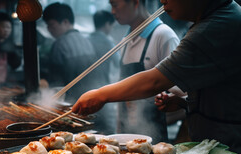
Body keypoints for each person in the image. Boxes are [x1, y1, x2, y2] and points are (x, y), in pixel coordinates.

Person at [72, 0, 241, 154]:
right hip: (217, 146)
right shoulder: (219, 18)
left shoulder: (212, 28)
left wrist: (101, 95)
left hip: (230, 150)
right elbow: (220, 91)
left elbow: (155, 81)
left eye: (115, 4)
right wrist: (186, 103)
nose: (161, 1)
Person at [110, 0, 180, 143]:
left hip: (154, 137)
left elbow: (181, 94)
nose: (112, 11)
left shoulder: (163, 35)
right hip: (126, 134)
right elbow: (122, 92)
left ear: (135, 3)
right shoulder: (125, 41)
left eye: (115, 5)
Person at [42, 2, 115, 134]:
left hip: (77, 108)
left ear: (65, 22)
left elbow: (57, 84)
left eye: (51, 25)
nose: (49, 29)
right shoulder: (86, 39)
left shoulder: (60, 44)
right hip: (97, 106)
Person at [88, 10, 120, 84]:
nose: (112, 29)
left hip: (86, 84)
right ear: (107, 24)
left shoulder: (85, 40)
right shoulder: (108, 43)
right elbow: (118, 63)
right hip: (102, 84)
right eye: (112, 26)